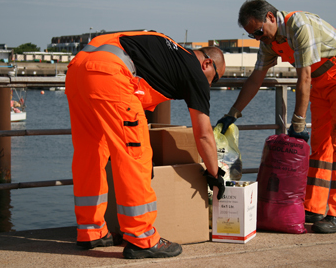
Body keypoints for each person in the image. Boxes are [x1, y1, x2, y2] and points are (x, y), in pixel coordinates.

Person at [65, 30, 226, 259]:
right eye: (216, 78)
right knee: (135, 159)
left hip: (78, 70)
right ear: (207, 64)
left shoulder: (170, 56)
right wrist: (214, 173)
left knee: (90, 153)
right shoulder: (194, 70)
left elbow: (138, 108)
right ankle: (141, 238)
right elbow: (203, 135)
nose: (211, 84)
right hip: (111, 73)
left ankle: (91, 231)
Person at [217, 0, 336, 234]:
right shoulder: (268, 42)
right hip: (320, 84)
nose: (260, 38)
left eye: (259, 31)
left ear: (271, 17)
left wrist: (298, 121)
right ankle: (314, 207)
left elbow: (304, 77)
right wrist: (233, 114)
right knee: (320, 147)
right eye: (254, 36)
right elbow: (255, 79)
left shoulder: (299, 26)